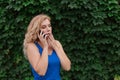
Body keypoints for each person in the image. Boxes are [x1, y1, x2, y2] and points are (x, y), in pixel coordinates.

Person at [23, 14, 71, 80]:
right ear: (37, 30)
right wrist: (45, 47)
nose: (48, 29)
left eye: (49, 26)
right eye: (43, 27)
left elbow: (67, 67)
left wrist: (55, 46)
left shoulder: (56, 43)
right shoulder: (32, 46)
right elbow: (41, 72)